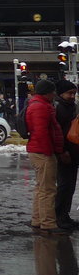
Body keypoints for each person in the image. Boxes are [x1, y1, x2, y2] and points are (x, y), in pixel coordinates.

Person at [27, 79, 70, 235]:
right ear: (47, 92)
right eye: (52, 92)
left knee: (40, 188)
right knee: (48, 190)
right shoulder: (41, 107)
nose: (54, 94)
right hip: (43, 153)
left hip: (39, 151)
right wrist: (51, 153)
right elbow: (42, 133)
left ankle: (37, 220)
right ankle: (48, 224)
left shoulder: (38, 105)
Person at [55, 81, 79, 230]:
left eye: (74, 93)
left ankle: (65, 215)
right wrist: (62, 151)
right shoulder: (58, 108)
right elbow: (57, 133)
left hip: (74, 152)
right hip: (64, 153)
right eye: (69, 93)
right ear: (61, 93)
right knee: (64, 186)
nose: (72, 96)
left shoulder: (72, 107)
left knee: (70, 186)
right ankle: (59, 216)